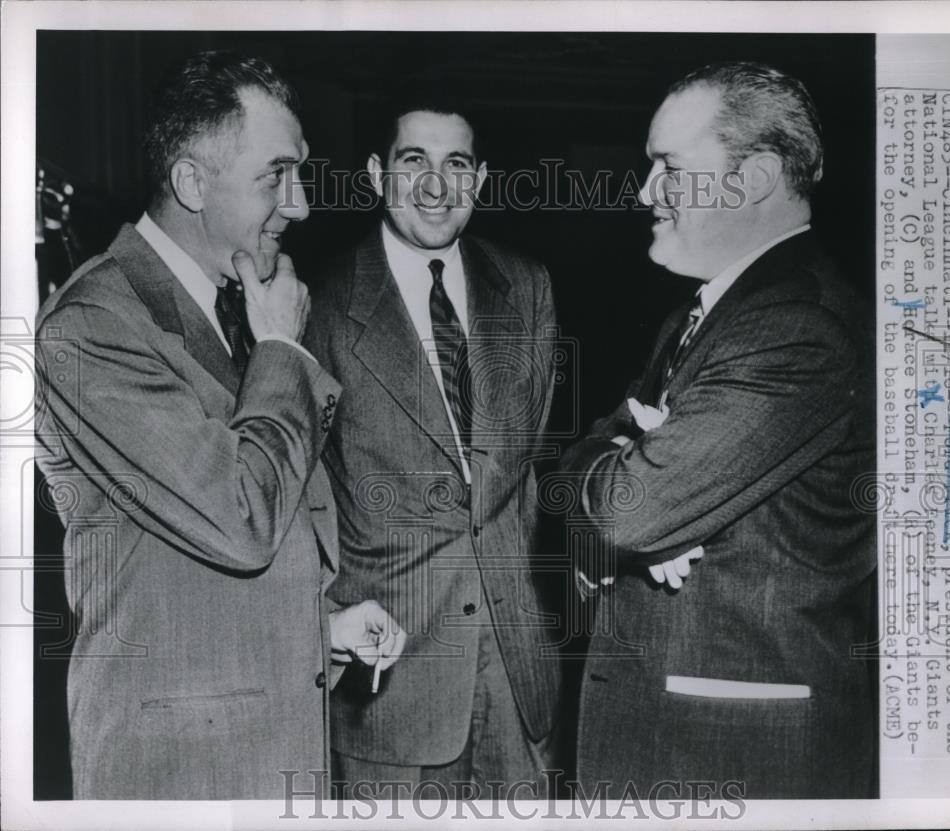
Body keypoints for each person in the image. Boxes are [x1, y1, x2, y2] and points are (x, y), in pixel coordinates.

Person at [34, 51, 404, 800]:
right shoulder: (95, 326)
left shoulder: (223, 303)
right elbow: (239, 516)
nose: (299, 205)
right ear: (191, 182)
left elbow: (184, 567)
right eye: (276, 176)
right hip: (179, 776)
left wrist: (316, 623)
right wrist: (282, 352)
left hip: (258, 751)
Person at [560, 62, 876, 799]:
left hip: (736, 757)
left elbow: (625, 511)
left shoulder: (800, 328)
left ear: (753, 178)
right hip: (682, 739)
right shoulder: (707, 312)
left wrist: (630, 478)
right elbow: (594, 456)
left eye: (669, 167)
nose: (644, 192)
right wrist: (625, 458)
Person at [304, 102, 562, 798]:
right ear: (378, 174)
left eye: (456, 164)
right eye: (414, 160)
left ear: (478, 178)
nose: (435, 184)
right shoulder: (317, 306)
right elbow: (300, 497)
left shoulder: (528, 287)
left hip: (516, 680)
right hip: (389, 689)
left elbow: (523, 474)